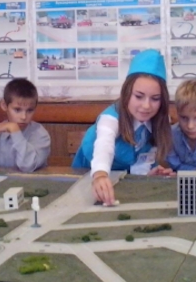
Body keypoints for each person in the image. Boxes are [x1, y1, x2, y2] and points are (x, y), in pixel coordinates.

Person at [72, 50, 173, 204]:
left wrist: (148, 175)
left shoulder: (160, 121)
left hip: (122, 181)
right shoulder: (111, 118)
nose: (146, 106)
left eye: (155, 98)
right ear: (126, 93)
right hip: (88, 175)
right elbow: (104, 146)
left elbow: (141, 162)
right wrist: (100, 175)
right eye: (138, 96)